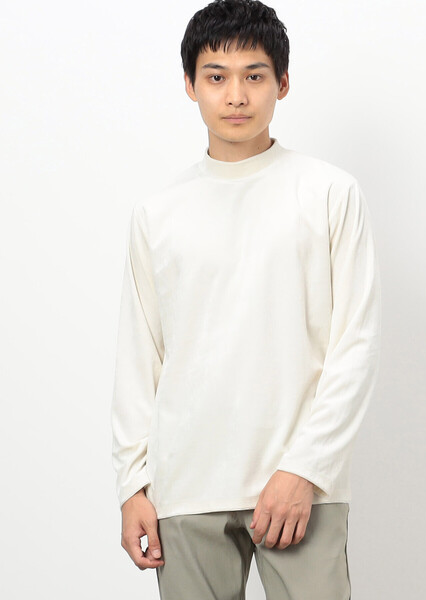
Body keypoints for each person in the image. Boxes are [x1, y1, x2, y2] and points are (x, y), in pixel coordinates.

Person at [110, 0, 382, 598]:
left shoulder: (329, 193)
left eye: (254, 76)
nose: (236, 96)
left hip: (300, 487)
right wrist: (133, 486)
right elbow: (140, 357)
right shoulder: (157, 214)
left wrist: (305, 469)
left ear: (282, 82)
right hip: (186, 486)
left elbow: (355, 345)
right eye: (216, 77)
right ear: (190, 85)